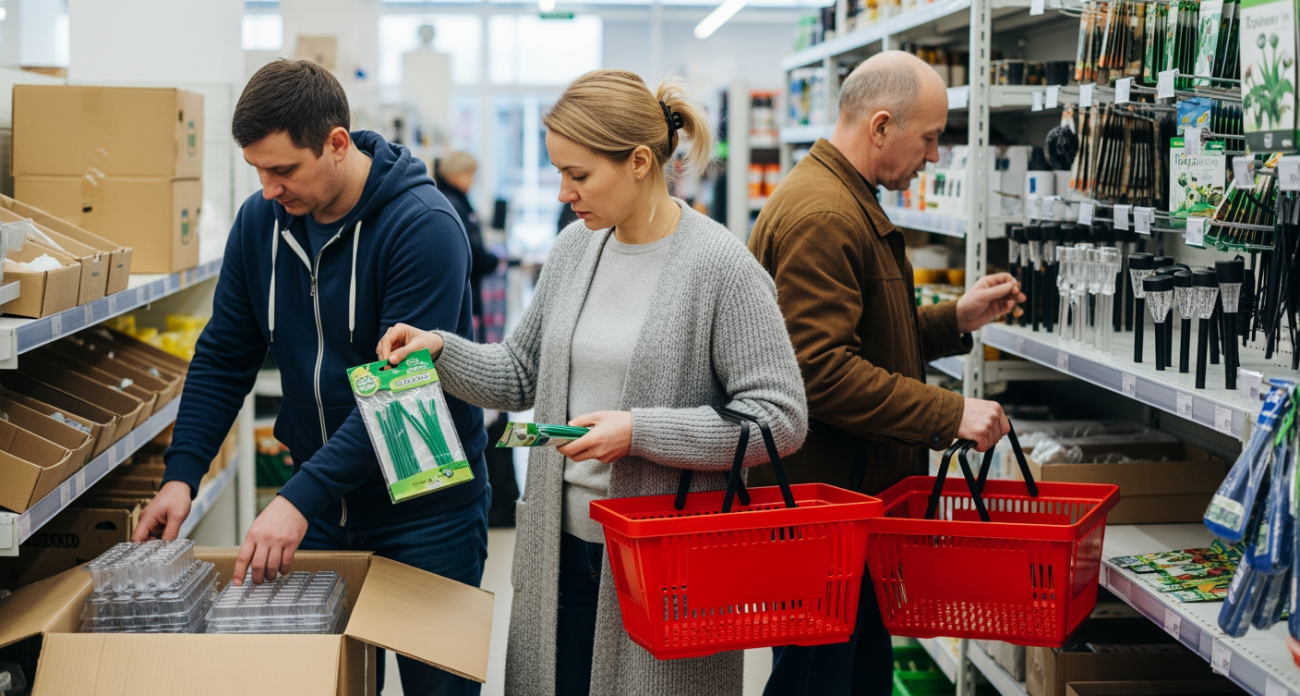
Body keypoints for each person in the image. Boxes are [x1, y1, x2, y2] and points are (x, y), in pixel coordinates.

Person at [376, 69, 808, 696]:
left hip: (665, 564)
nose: (562, 193)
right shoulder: (577, 248)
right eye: (558, 173)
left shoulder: (721, 267)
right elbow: (522, 372)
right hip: (561, 550)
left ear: (638, 161)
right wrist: (439, 350)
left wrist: (638, 431)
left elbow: (780, 419)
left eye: (578, 175)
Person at [132, 59, 489, 696]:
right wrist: (182, 473)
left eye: (283, 169)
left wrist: (296, 498)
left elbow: (401, 393)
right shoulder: (259, 224)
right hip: (323, 507)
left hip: (425, 511)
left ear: (336, 143)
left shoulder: (423, 227)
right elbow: (223, 355)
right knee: (329, 685)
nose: (269, 189)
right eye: (258, 170)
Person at [747, 50, 1025, 696]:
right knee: (815, 681)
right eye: (928, 138)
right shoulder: (825, 216)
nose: (934, 156)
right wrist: (949, 413)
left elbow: (870, 338)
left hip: (849, 515)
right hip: (822, 522)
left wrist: (955, 316)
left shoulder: (844, 199)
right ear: (879, 127)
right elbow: (819, 372)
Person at [435, 151, 501, 337]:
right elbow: (472, 250)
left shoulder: (450, 200)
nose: (473, 181)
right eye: (470, 174)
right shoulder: (454, 204)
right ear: (456, 173)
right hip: (460, 292)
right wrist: (493, 260)